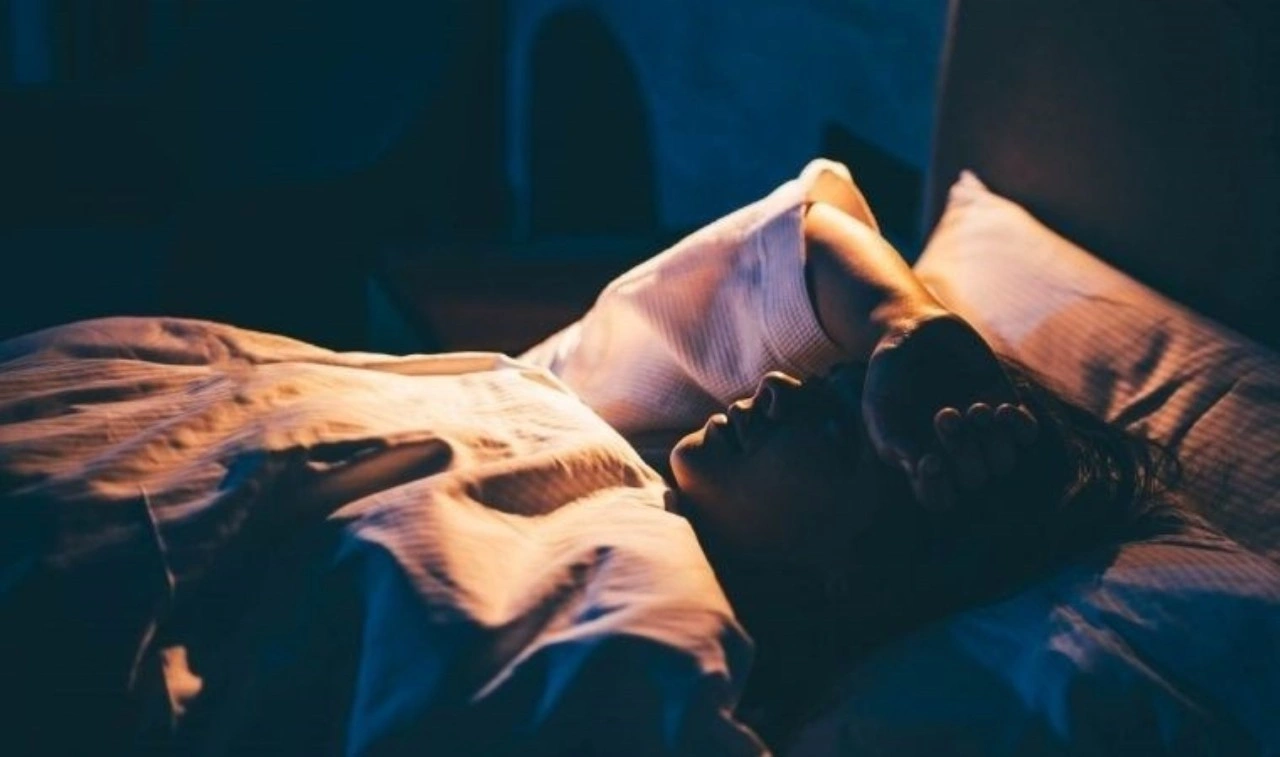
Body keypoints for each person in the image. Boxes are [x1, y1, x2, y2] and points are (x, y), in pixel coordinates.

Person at [0, 161, 1174, 756]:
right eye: (826, 384)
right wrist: (909, 335)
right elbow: (803, 243)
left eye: (831, 427)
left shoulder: (650, 644)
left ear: (861, 574)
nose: (777, 385)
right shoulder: (614, 429)